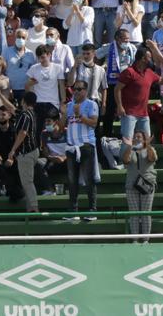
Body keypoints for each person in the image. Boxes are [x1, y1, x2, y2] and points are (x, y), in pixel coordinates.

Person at [64, 82, 99, 221]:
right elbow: (62, 125)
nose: (76, 92)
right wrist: (62, 114)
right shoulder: (69, 106)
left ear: (86, 90)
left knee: (89, 180)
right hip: (72, 146)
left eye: (79, 89)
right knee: (72, 181)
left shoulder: (91, 104)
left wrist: (80, 115)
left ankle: (92, 210)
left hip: (86, 146)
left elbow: (94, 123)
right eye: (74, 89)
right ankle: (73, 211)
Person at [114, 48, 159, 155]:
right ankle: (125, 164)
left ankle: (145, 163)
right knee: (127, 140)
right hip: (129, 113)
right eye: (149, 57)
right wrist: (120, 106)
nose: (151, 60)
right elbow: (117, 89)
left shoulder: (149, 72)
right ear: (143, 58)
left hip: (144, 114)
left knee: (146, 140)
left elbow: (161, 80)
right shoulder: (129, 72)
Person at [7, 91, 40, 213]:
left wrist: (13, 150)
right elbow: (11, 109)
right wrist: (0, 95)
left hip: (26, 153)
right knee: (27, 180)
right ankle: (29, 209)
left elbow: (23, 132)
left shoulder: (25, 115)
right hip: (33, 151)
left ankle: (34, 208)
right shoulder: (31, 113)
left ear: (24, 101)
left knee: (27, 182)